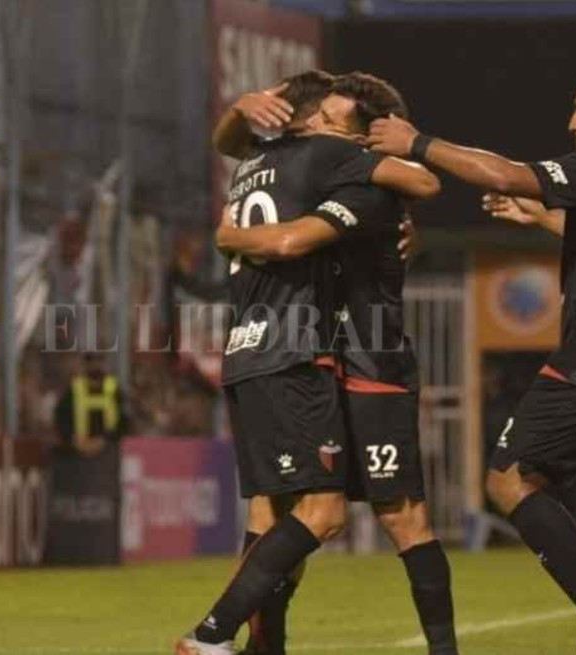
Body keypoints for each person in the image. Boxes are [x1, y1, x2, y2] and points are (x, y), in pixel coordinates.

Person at [368, 60, 576, 655]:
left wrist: (418, 143)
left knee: (508, 479)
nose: (572, 122)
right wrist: (545, 217)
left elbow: (506, 174)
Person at [176, 72, 440, 655]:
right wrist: (394, 158)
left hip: (251, 350)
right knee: (323, 513)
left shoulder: (256, 163)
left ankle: (260, 649)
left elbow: (228, 141)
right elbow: (422, 179)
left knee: (270, 514)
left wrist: (239, 113)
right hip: (297, 352)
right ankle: (211, 635)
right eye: (321, 112)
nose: (321, 120)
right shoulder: (324, 153)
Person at [53, 352, 130, 456]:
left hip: (108, 451)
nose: (95, 365)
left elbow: (124, 421)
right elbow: (62, 417)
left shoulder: (114, 389)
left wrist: (106, 440)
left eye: (99, 360)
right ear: (84, 364)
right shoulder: (74, 389)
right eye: (90, 360)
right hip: (78, 453)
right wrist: (73, 439)